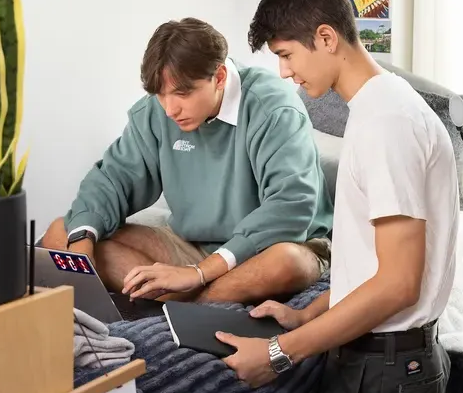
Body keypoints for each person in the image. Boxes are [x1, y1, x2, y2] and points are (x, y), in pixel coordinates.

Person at [221, 0, 458, 393]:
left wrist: (281, 351)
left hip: (386, 374)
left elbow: (398, 284)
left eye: (287, 55)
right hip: (375, 365)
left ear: (326, 38)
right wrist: (307, 314)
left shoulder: (387, 124)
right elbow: (371, 264)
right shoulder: (378, 110)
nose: (284, 72)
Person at [40, 18, 333, 305]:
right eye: (160, 95)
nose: (170, 109)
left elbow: (290, 208)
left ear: (218, 77)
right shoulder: (157, 112)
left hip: (271, 247)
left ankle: (185, 303)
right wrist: (82, 252)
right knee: (63, 232)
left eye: (182, 93)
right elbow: (113, 179)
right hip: (190, 246)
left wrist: (199, 274)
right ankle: (190, 301)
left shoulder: (274, 108)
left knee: (287, 263)